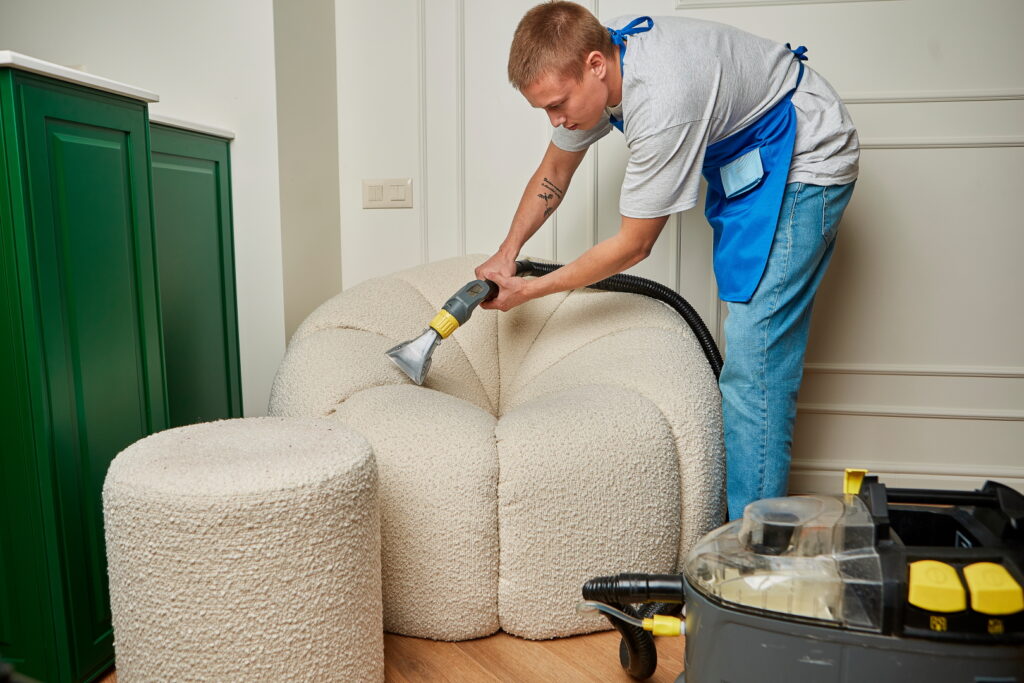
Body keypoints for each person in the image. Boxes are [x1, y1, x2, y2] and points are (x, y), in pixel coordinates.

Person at [475, 1, 858, 520]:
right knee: (752, 352)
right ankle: (745, 534)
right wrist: (507, 253)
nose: (557, 120)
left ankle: (751, 553)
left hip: (805, 154)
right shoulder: (598, 75)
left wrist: (530, 290)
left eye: (558, 104)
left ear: (595, 64)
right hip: (756, 154)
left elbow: (634, 245)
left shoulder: (663, 100)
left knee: (756, 357)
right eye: (545, 110)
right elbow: (555, 172)